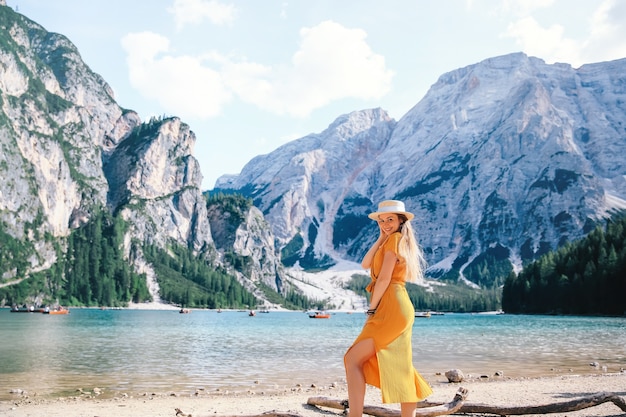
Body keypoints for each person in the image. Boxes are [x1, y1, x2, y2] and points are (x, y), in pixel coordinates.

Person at [344, 200, 432, 417]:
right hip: (396, 305)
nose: (385, 224)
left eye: (390, 219)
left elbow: (383, 279)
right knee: (399, 364)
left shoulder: (394, 240)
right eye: (381, 221)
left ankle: (354, 415)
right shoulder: (390, 240)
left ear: (401, 220)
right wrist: (380, 236)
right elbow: (366, 264)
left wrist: (371, 310)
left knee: (352, 359)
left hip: (391, 305)